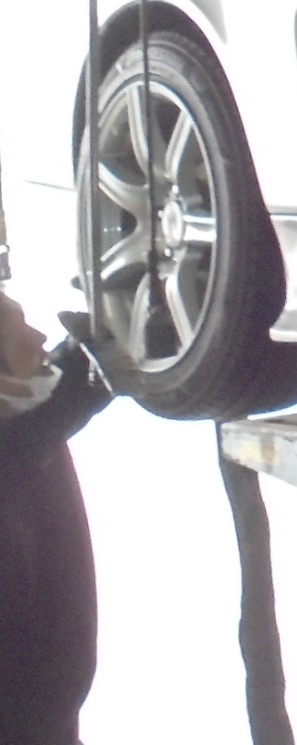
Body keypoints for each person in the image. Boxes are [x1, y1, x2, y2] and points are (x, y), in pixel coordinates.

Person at [0, 291, 107, 745]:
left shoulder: (25, 430)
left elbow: (71, 389)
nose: (39, 336)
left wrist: (100, 347)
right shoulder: (16, 450)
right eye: (18, 332)